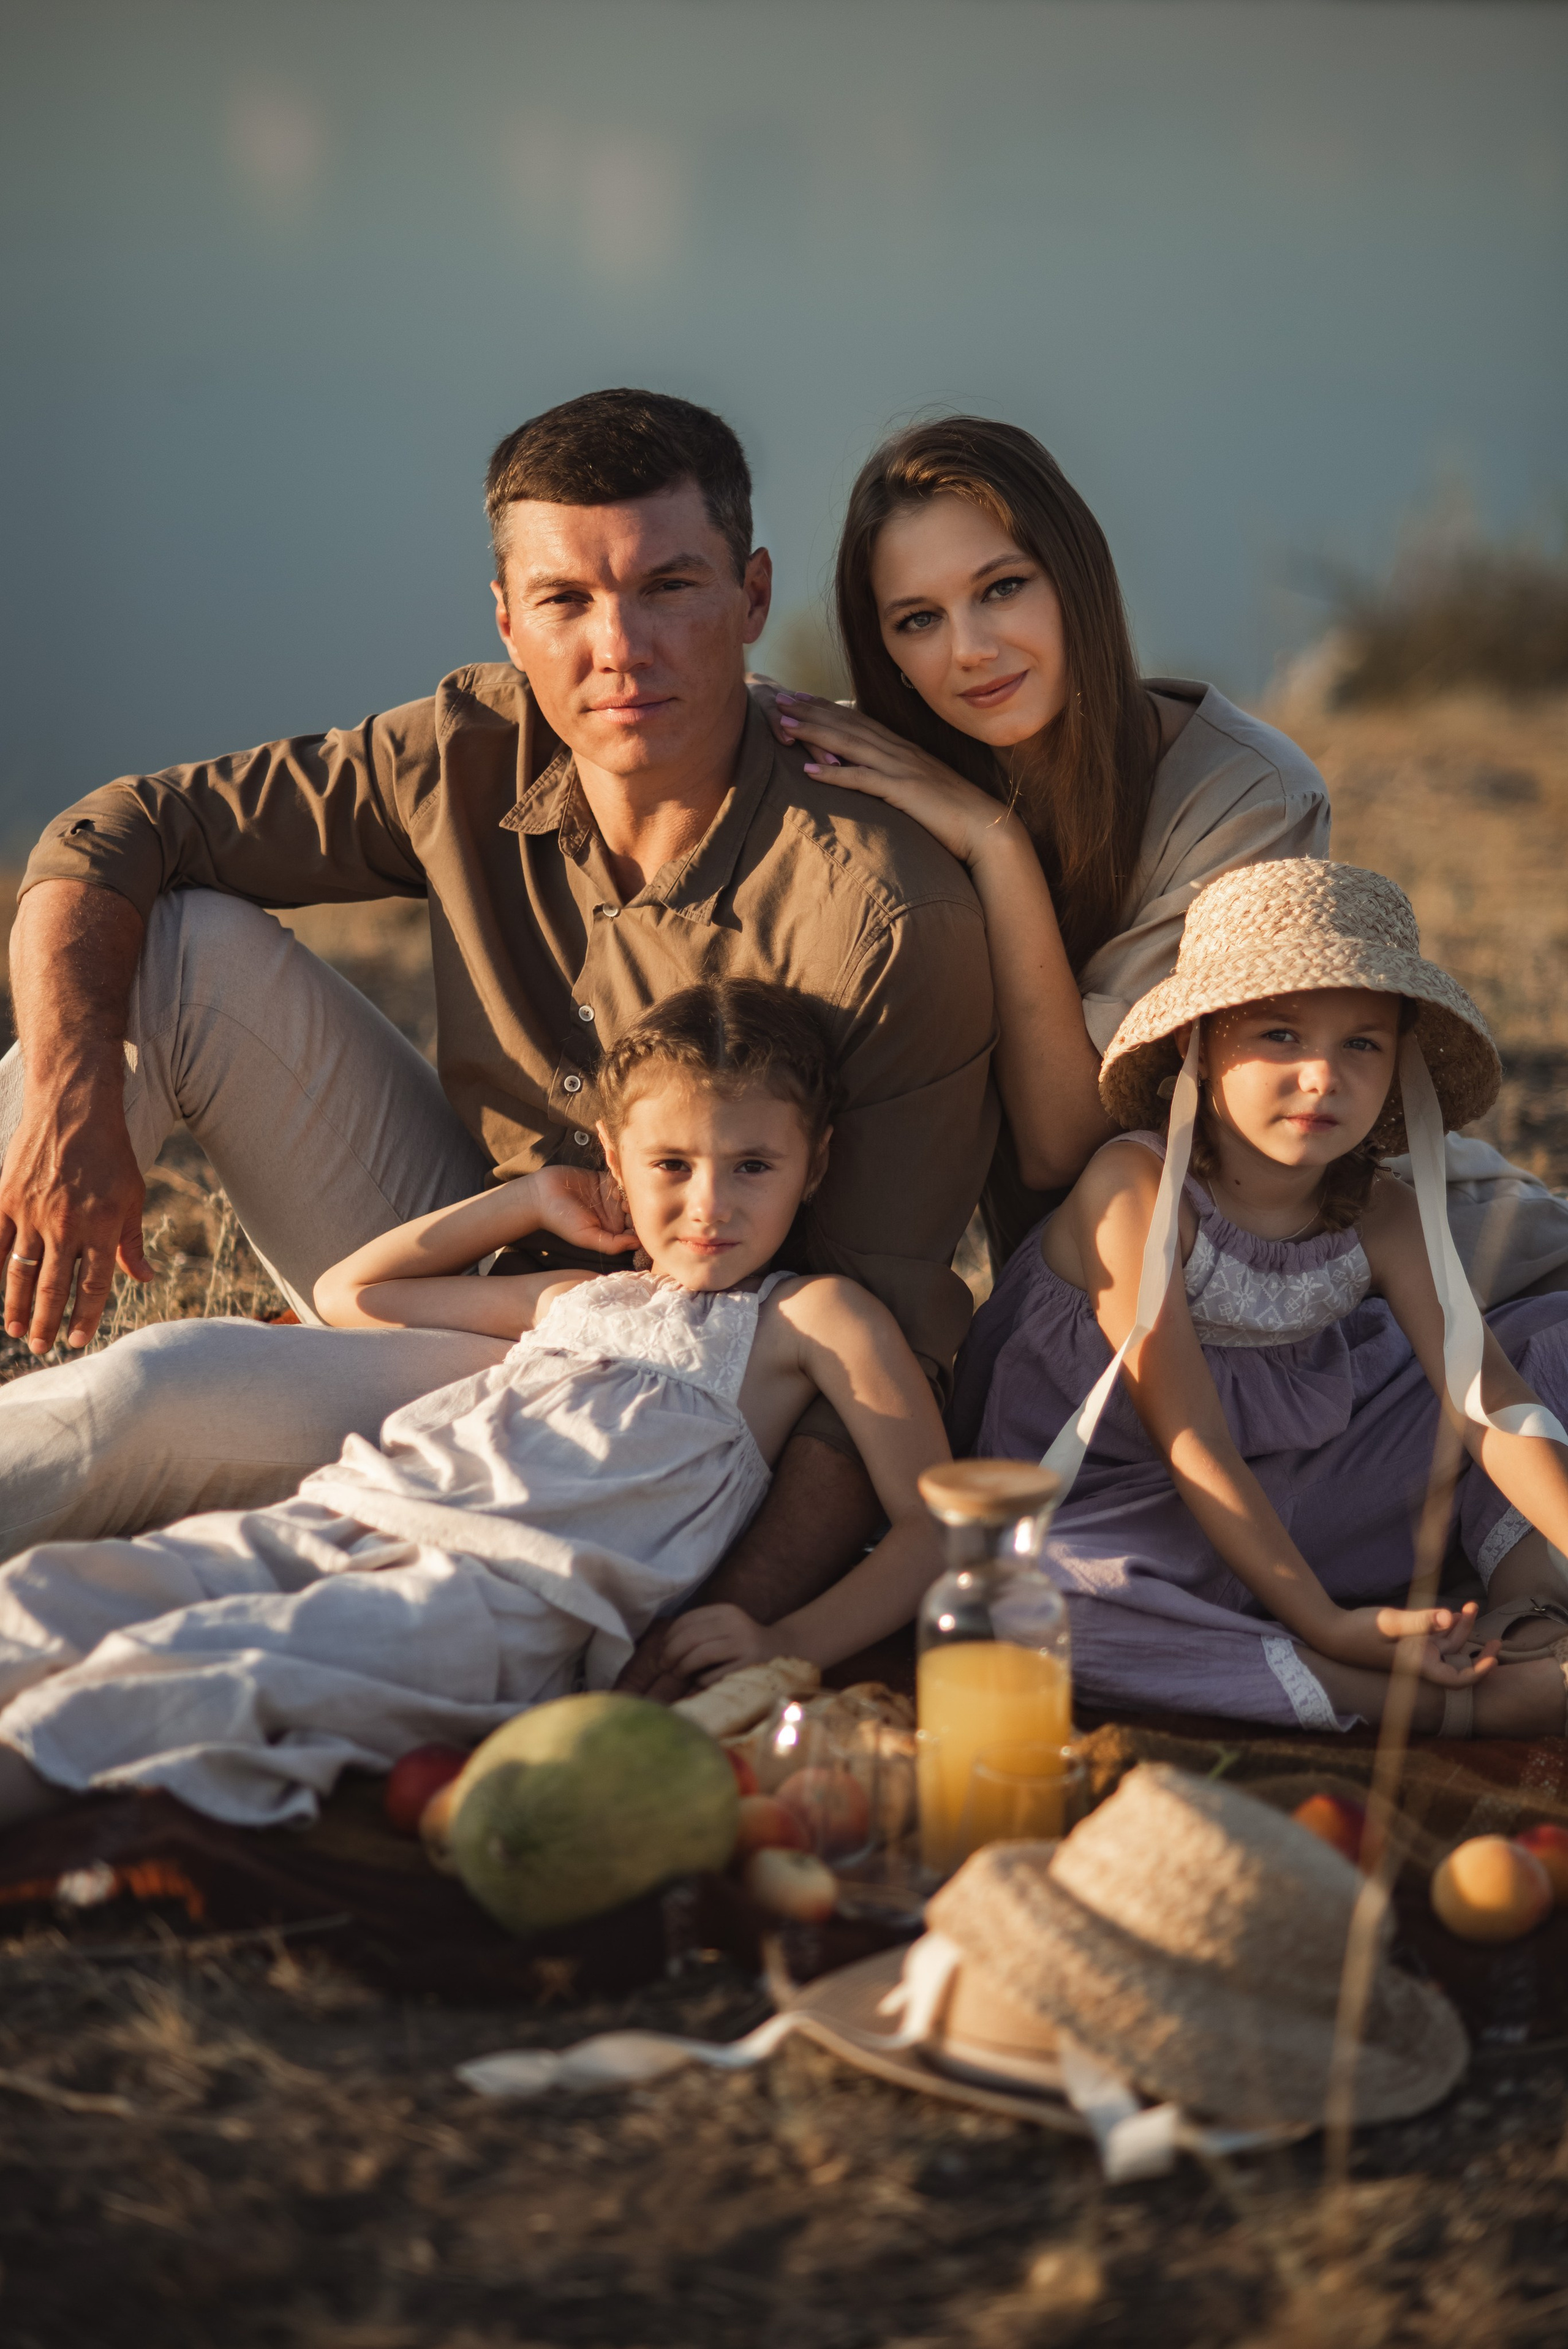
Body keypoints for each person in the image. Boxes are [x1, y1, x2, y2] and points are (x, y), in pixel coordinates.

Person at [0, 391, 993, 1667]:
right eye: (567, 601)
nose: (617, 647)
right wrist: (78, 1086)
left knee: (141, 1403)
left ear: (750, 598)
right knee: (179, 949)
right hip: (456, 1271)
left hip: (654, 1404)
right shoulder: (468, 745)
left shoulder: (881, 908)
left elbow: (879, 1342)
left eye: (667, 587)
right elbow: (117, 828)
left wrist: (712, 1628)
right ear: (507, 617)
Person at [0, 983, 950, 1831]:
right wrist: (530, 1199)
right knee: (73, 1593)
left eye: (753, 1166)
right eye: (670, 1166)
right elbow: (350, 1293)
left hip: (499, 1598)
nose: (710, 1205)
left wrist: (783, 1643)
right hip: (350, 1512)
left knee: (220, 1671)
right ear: (617, 1160)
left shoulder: (811, 1317)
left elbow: (937, 1526)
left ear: (814, 1167)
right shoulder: (576, 1297)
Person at [761, 415, 1568, 1297]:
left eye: (1002, 588)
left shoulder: (1249, 796)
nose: (971, 649)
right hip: (1128, 1308)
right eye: (919, 618)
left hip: (1398, 1273)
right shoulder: (889, 774)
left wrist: (996, 849)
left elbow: (1070, 1143)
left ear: (1076, 576)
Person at [954, 859, 1568, 1740]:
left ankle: (1529, 1618)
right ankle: (1407, 1696)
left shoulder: (1384, 1213)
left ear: (1399, 1066)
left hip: (1312, 1487)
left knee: (1552, 1344)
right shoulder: (1135, 1188)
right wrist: (1324, 1619)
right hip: (1129, 1512)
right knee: (1026, 1606)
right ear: (1196, 1047)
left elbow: (1487, 1399)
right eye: (1281, 1035)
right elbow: (1191, 1437)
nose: (1324, 1077)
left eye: (1362, 1043)